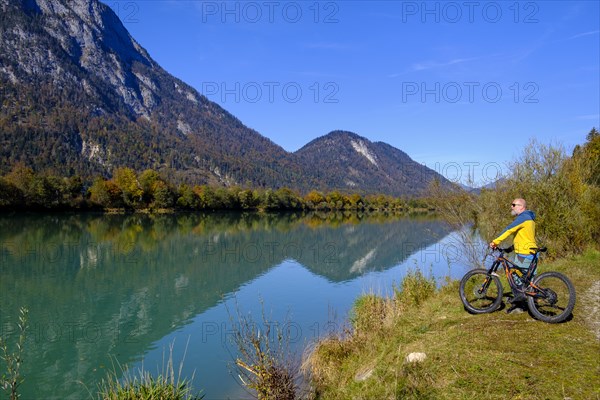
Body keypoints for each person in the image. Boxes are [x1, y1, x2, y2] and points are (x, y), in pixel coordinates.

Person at [489, 198, 537, 306]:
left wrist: (495, 242)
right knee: (528, 280)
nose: (511, 207)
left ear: (521, 206)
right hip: (530, 252)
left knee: (515, 277)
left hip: (524, 254)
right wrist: (510, 249)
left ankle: (519, 305)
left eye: (514, 205)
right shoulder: (529, 218)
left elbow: (508, 230)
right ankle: (529, 304)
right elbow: (524, 238)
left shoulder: (523, 217)